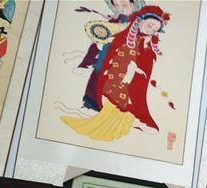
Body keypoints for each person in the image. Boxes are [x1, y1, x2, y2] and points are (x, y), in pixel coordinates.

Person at [61, 5, 169, 141]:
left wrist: (138, 65)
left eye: (154, 30)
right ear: (140, 20)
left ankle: (123, 120)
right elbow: (111, 49)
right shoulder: (124, 34)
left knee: (125, 102)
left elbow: (145, 65)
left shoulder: (146, 43)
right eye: (150, 25)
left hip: (128, 79)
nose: (150, 31)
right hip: (115, 74)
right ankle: (106, 119)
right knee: (113, 97)